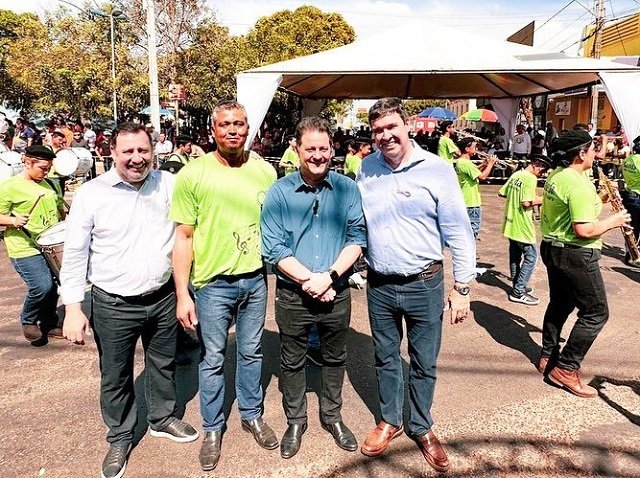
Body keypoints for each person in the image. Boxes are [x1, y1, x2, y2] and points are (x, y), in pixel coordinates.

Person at [60, 123, 198, 478]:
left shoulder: (169, 184)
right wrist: (73, 308)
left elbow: (187, 231)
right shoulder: (92, 194)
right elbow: (75, 253)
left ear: (154, 152)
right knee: (115, 374)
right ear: (112, 153)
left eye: (143, 151)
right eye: (128, 152)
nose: (137, 159)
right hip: (113, 304)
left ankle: (161, 418)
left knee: (163, 363)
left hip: (163, 297)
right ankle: (120, 436)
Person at [357, 98, 476, 473]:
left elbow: (459, 231)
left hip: (424, 284)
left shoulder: (437, 169)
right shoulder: (367, 168)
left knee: (424, 362)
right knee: (385, 358)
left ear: (407, 125)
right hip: (379, 285)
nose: (385, 136)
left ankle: (421, 427)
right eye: (378, 130)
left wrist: (462, 287)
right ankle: (390, 420)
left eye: (391, 126)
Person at [170, 100, 278, 472]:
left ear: (249, 128)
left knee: (251, 353)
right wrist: (182, 295)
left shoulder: (265, 171)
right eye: (225, 124)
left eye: (239, 124)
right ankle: (213, 428)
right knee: (212, 359)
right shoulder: (193, 174)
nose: (233, 130)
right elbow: (183, 237)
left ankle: (251, 415)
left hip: (255, 280)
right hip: (212, 285)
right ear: (213, 130)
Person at [261, 117, 366, 459]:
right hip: (293, 295)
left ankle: (332, 416)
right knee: (292, 361)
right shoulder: (280, 192)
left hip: (336, 290)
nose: (318, 155)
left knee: (335, 357)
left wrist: (329, 277)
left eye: (324, 148)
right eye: (310, 149)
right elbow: (274, 248)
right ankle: (296, 421)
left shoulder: (348, 189)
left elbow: (357, 238)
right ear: (296, 149)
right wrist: (311, 281)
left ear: (332, 149)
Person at [538, 130, 630, 397]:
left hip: (553, 248)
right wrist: (614, 221)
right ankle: (566, 368)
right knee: (596, 312)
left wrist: (600, 199)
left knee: (560, 304)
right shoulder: (578, 184)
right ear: (580, 154)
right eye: (592, 150)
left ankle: (548, 356)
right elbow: (585, 230)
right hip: (576, 253)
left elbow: (570, 208)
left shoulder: (558, 175)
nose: (596, 154)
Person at [0, 145, 65, 343]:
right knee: (41, 286)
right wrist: (13, 220)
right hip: (24, 246)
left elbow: (60, 209)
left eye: (49, 168)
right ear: (28, 163)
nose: (46, 172)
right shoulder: (9, 187)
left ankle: (49, 323)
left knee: (54, 285)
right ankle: (28, 320)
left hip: (50, 245)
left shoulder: (51, 184)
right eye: (42, 168)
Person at [498, 154, 552, 305]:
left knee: (515, 255)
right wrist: (544, 198)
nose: (541, 174)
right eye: (542, 170)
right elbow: (526, 203)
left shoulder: (517, 175)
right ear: (537, 165)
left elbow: (502, 192)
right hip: (522, 224)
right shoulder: (530, 178)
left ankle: (517, 284)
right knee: (531, 257)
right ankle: (519, 291)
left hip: (510, 222)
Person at [454, 137, 497, 239]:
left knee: (465, 231)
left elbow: (474, 171)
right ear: (467, 149)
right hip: (471, 202)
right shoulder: (466, 163)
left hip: (466, 200)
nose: (476, 149)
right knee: (472, 232)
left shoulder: (461, 162)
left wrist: (484, 164)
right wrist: (491, 164)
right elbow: (482, 177)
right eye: (474, 147)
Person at [621, 135, 640, 267]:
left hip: (629, 194)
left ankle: (630, 254)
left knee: (632, 227)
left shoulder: (628, 160)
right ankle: (634, 256)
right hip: (638, 196)